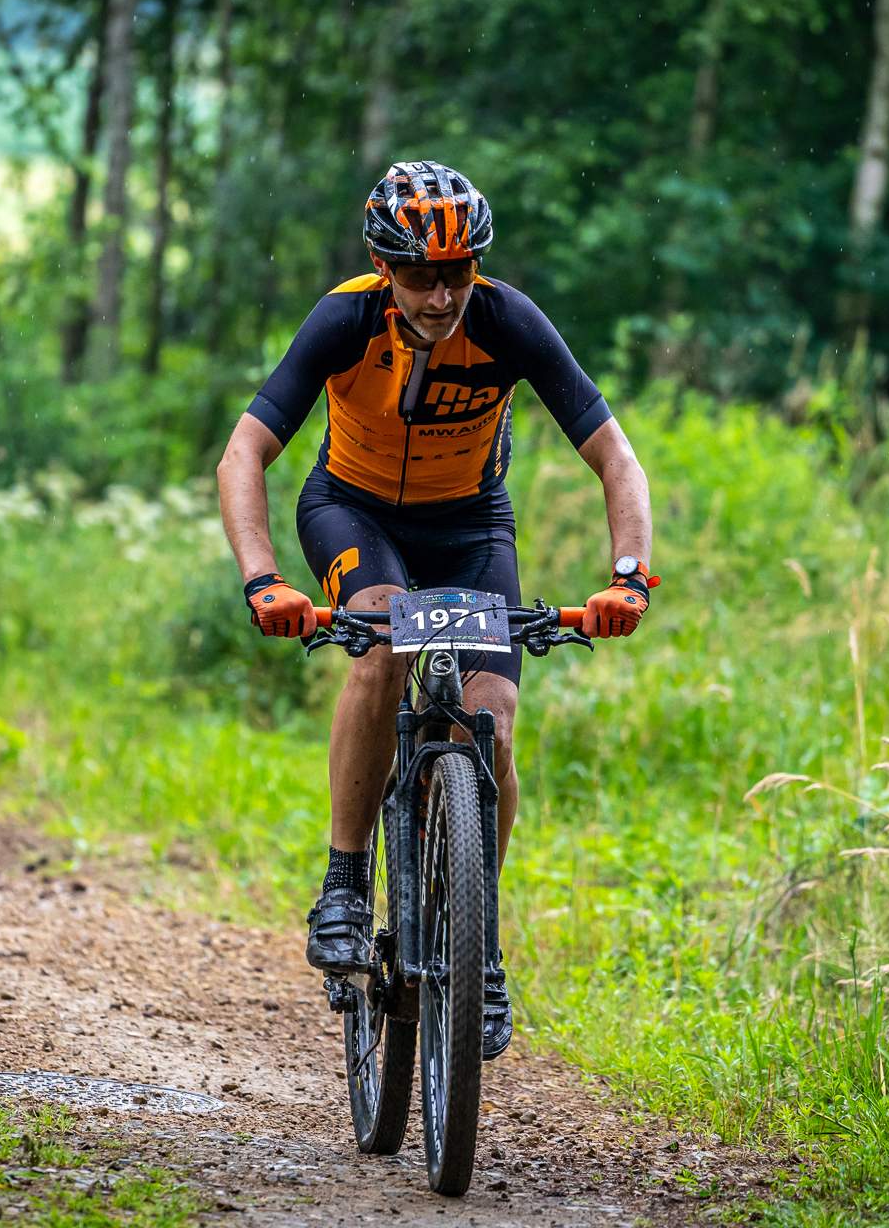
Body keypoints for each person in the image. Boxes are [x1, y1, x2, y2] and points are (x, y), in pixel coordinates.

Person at [216, 161, 655, 1061]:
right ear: (385, 268)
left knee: (492, 725)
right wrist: (264, 580)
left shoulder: (506, 320)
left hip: (471, 527)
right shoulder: (345, 319)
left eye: (458, 271)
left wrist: (629, 577)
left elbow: (616, 457)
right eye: (421, 276)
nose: (442, 295)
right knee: (381, 640)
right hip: (353, 510)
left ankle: (476, 945)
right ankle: (345, 883)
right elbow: (243, 455)